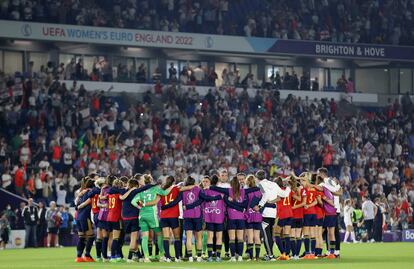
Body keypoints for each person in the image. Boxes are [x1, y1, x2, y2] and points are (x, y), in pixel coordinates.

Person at [131, 174, 173, 262]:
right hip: (152, 215)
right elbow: (165, 193)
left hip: (142, 215)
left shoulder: (141, 191)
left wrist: (140, 207)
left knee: (144, 236)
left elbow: (133, 202)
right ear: (150, 181)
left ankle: (146, 257)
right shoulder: (155, 188)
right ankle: (162, 255)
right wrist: (172, 186)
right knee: (159, 234)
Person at [210, 176, 247, 262]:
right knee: (240, 238)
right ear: (238, 184)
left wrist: (210, 187)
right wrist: (240, 209)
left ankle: (233, 257)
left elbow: (215, 188)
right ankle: (240, 257)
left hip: (231, 217)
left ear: (231, 184)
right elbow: (244, 205)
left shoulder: (228, 191)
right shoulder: (243, 191)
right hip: (240, 218)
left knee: (232, 239)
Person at [256, 170, 291, 260]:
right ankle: (270, 254)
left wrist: (260, 205)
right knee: (270, 235)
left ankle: (270, 255)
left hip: (266, 212)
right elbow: (285, 194)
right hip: (274, 213)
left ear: (257, 177)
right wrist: (288, 186)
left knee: (266, 236)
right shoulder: (274, 184)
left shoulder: (260, 184)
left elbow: (265, 195)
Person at [74, 177, 95, 262]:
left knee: (82, 237)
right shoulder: (90, 192)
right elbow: (89, 201)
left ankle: (79, 257)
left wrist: (78, 206)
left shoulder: (81, 192)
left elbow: (76, 201)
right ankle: (87, 255)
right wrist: (80, 206)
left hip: (78, 217)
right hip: (85, 216)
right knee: (91, 237)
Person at [244, 175, 262, 261]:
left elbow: (245, 204)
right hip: (257, 215)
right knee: (257, 237)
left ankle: (251, 257)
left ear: (247, 182)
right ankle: (257, 257)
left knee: (250, 237)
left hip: (249, 215)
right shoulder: (259, 192)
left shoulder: (246, 192)